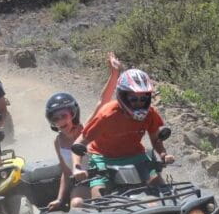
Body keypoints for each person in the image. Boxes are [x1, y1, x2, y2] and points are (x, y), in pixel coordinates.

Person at [71, 68, 174, 198]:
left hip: (136, 156)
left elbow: (156, 139)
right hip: (102, 159)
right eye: (133, 99)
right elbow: (79, 143)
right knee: (99, 197)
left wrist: (164, 155)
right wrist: (77, 167)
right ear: (123, 96)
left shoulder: (150, 114)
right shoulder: (106, 115)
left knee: (163, 190)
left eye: (142, 99)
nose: (138, 103)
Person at [46, 52, 123, 211]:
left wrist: (114, 73)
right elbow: (66, 173)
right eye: (55, 118)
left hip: (105, 177)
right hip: (82, 183)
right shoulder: (58, 142)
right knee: (77, 204)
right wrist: (60, 199)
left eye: (64, 115)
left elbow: (103, 101)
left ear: (72, 114)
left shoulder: (87, 128)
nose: (60, 121)